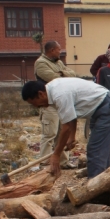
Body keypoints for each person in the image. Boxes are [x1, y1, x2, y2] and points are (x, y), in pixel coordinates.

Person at [21, 78, 110, 178]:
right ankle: (105, 180)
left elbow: (66, 127)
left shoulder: (59, 95)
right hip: (102, 107)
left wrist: (56, 154)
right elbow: (71, 116)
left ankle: (96, 186)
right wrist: (71, 137)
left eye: (34, 103)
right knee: (102, 147)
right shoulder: (52, 90)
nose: (37, 107)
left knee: (95, 148)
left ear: (40, 94)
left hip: (107, 106)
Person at [34, 40, 76, 168]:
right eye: (58, 49)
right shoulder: (40, 63)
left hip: (60, 101)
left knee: (61, 132)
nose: (60, 51)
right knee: (49, 133)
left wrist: (62, 73)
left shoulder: (58, 62)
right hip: (48, 103)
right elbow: (54, 78)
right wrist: (62, 74)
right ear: (52, 50)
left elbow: (72, 74)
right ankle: (45, 162)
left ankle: (63, 161)